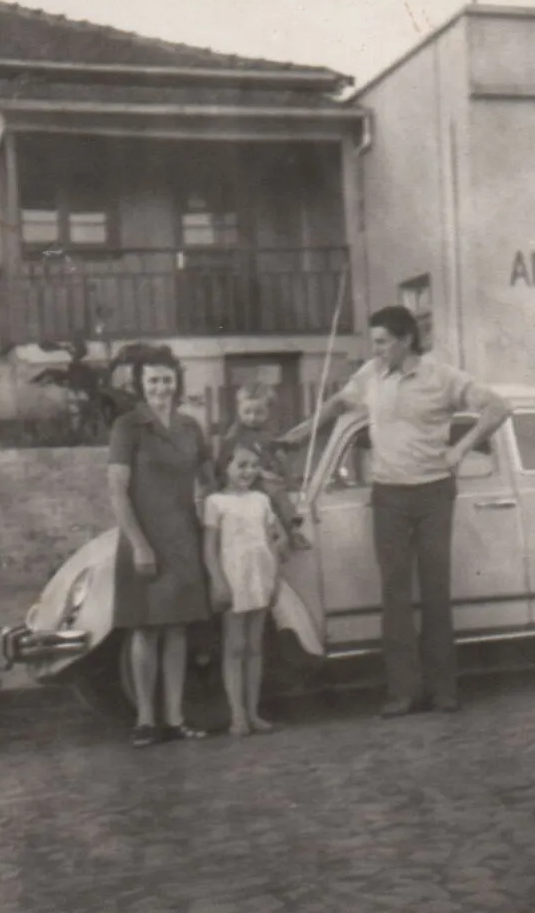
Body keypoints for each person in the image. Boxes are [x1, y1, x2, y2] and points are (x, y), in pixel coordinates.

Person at [279, 305, 512, 717]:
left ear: (406, 340)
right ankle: (403, 692)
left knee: (436, 592)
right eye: (375, 342)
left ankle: (444, 691)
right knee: (395, 594)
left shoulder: (443, 377)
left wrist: (462, 446)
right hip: (388, 498)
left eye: (383, 342)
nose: (376, 349)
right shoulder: (370, 374)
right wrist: (299, 434)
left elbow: (497, 408)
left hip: (434, 495)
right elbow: (336, 403)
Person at [107, 345, 215, 747]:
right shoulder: (128, 427)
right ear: (141, 385)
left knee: (177, 629)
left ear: (177, 382)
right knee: (146, 630)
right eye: (153, 380)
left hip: (184, 539)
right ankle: (146, 720)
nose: (161, 388)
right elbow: (117, 492)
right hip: (145, 541)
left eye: (167, 379)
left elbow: (210, 482)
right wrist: (139, 545)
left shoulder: (190, 428)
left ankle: (174, 718)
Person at [203, 441, 286, 737]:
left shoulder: (261, 500)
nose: (247, 471)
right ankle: (237, 715)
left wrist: (274, 578)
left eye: (253, 465)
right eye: (241, 465)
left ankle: (253, 712)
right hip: (233, 578)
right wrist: (218, 581)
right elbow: (210, 549)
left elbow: (271, 541)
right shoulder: (215, 503)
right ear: (225, 466)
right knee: (235, 647)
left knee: (254, 647)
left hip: (258, 576)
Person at [217, 381, 311, 550]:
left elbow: (273, 450)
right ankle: (291, 528)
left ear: (268, 412)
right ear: (239, 411)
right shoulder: (235, 436)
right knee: (273, 492)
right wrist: (260, 472)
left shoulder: (264, 433)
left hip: (264, 478)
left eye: (259, 412)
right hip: (245, 483)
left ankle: (287, 528)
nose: (252, 417)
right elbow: (228, 464)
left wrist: (282, 462)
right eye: (247, 412)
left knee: (281, 488)